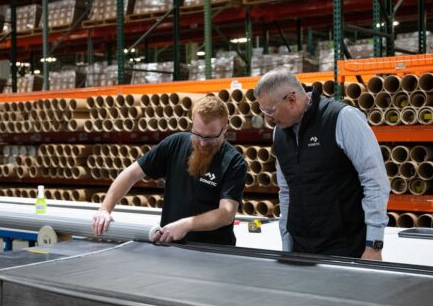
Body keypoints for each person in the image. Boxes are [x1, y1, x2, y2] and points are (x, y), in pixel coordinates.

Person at [254, 69, 389, 260]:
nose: (267, 118)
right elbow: (286, 191)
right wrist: (286, 244)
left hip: (345, 249)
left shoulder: (342, 119)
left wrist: (374, 246)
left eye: (270, 110)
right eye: (263, 111)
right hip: (300, 250)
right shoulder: (280, 134)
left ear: (292, 99)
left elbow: (376, 182)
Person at [92, 95, 247, 245]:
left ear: (225, 128)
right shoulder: (175, 144)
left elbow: (226, 213)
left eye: (210, 137)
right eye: (197, 135)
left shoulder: (234, 162)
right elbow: (132, 173)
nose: (202, 143)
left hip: (213, 251)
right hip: (170, 245)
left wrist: (187, 224)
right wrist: (105, 209)